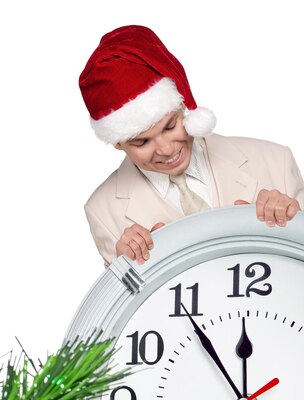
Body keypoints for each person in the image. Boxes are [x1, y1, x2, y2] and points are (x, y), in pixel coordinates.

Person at [79, 25, 304, 267]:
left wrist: (295, 224)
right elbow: (126, 302)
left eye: (170, 126)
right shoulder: (103, 210)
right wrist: (127, 269)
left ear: (182, 106)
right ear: (117, 143)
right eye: (142, 142)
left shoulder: (274, 161)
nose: (166, 150)